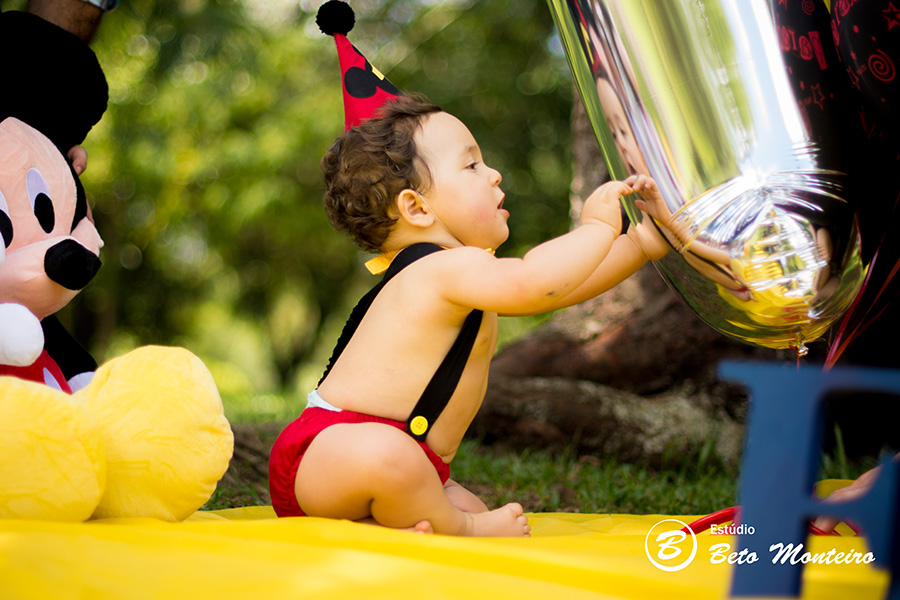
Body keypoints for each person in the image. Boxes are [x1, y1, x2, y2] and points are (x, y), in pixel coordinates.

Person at [268, 92, 667, 536]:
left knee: (459, 498)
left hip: (409, 467)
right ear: (416, 208)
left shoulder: (460, 270)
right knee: (393, 458)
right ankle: (462, 529)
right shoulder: (440, 268)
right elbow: (537, 283)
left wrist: (640, 245)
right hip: (330, 452)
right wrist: (597, 227)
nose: (494, 174)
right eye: (472, 165)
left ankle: (395, 527)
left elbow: (559, 290)